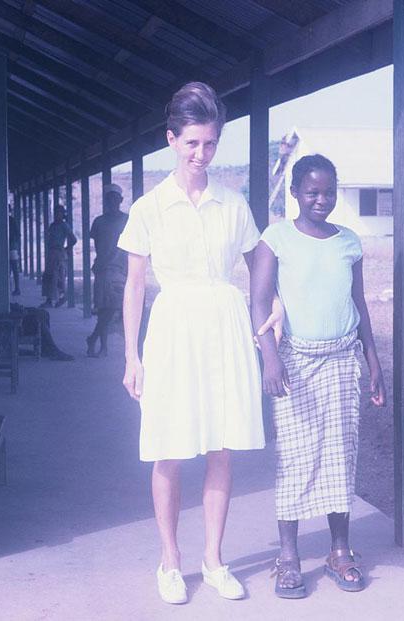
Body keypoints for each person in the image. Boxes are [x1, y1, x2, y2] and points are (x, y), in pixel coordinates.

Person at [118, 82, 278, 605]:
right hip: (172, 330)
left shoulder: (232, 204)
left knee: (220, 446)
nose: (200, 154)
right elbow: (136, 284)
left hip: (225, 326)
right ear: (171, 139)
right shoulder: (149, 207)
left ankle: (213, 558)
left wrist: (272, 303)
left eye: (209, 143)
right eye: (191, 143)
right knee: (168, 447)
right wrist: (131, 355)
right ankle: (171, 561)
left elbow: (259, 260)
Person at [250, 154, 386, 598]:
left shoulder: (348, 241)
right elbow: (259, 302)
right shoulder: (276, 239)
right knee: (295, 457)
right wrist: (270, 358)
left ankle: (340, 552)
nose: (321, 200)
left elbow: (359, 304)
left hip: (343, 359)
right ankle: (287, 557)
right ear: (294, 193)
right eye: (312, 192)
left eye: (328, 192)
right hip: (295, 361)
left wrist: (374, 362)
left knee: (340, 456)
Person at [86, 183, 129, 357]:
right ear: (105, 201)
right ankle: (102, 346)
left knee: (113, 308)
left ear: (121, 200)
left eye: (115, 199)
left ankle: (93, 338)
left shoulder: (128, 220)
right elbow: (98, 245)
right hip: (103, 269)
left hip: (119, 270)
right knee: (104, 309)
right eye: (109, 199)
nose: (112, 202)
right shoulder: (99, 221)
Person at [41, 204, 77, 308]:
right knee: (48, 275)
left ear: (63, 214)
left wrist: (66, 248)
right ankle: (49, 299)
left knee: (57, 276)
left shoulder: (64, 225)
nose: (57, 215)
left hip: (58, 253)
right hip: (51, 252)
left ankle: (62, 296)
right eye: (55, 213)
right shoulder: (53, 225)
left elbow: (73, 239)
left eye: (59, 213)